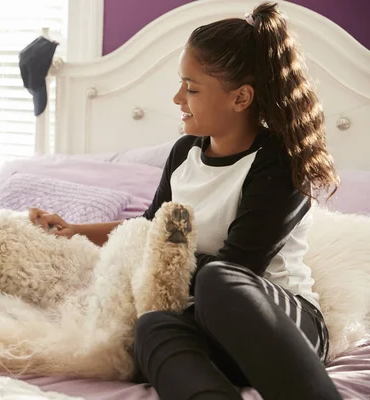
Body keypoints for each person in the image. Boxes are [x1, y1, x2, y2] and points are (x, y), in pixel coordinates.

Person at [29, 2, 343, 399]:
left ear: (241, 98)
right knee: (152, 325)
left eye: (192, 88)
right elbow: (147, 230)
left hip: (281, 325)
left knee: (217, 278)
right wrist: (74, 231)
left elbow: (239, 267)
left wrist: (158, 254)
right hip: (206, 324)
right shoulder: (183, 155)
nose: (178, 98)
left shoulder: (278, 163)